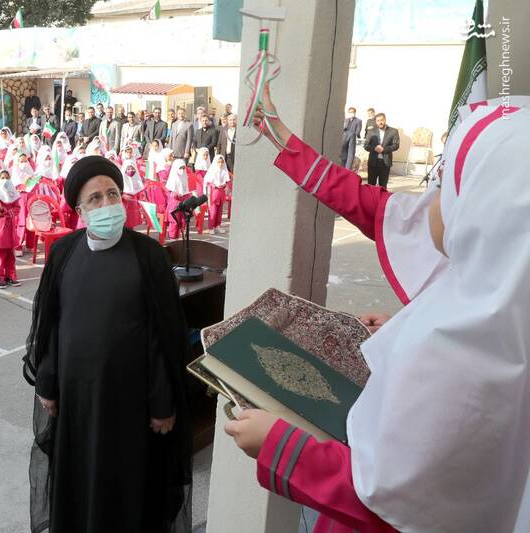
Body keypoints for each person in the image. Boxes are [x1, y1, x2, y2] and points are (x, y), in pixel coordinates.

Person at [227, 84, 530, 532]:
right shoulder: (498, 309)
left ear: (484, 209)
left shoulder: (454, 356)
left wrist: (278, 446)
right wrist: (401, 329)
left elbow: (393, 505)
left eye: (446, 185)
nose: (428, 200)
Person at [23, 155, 193, 533]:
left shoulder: (149, 256)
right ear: (79, 211)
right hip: (76, 403)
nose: (107, 204)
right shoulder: (64, 253)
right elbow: (50, 323)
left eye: (112, 194)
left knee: (126, 492)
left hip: (129, 407)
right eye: (95, 198)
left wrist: (162, 402)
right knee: (79, 487)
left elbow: (164, 337)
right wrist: (47, 382)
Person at [0, 169, 22, 288]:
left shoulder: (13, 193)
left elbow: (17, 209)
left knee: (10, 254)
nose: (5, 180)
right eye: (2, 178)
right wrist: (1, 211)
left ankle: (11, 276)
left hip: (10, 227)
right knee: (0, 254)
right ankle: (1, 277)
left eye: (7, 177)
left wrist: (5, 212)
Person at [364, 113, 399, 188]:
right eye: (378, 120)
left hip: (385, 163)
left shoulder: (393, 131)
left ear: (385, 120)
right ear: (375, 121)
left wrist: (384, 149)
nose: (380, 122)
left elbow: (396, 145)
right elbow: (366, 146)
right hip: (373, 162)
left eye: (382, 120)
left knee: (383, 186)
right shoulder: (371, 131)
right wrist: (374, 148)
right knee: (370, 186)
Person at [203, 154, 231, 233]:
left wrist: (226, 186)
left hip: (221, 192)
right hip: (214, 192)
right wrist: (214, 185)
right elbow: (207, 182)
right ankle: (211, 227)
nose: (220, 164)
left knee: (219, 211)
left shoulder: (224, 171)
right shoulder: (212, 171)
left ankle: (217, 226)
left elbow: (228, 181)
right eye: (219, 162)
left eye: (222, 162)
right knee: (213, 211)